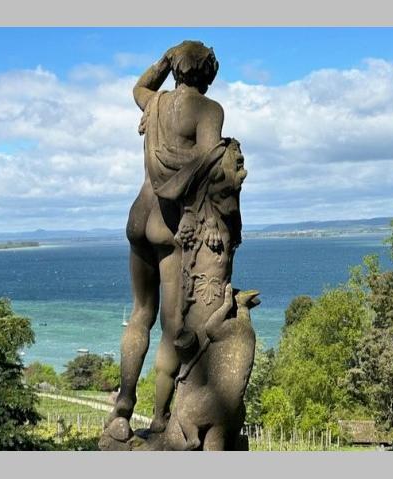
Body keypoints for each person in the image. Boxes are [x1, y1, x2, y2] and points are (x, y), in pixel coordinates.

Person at [108, 41, 225, 433]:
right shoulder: (209, 110)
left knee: (139, 312)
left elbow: (138, 87)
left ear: (176, 69)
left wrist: (163, 59)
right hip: (170, 225)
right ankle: (159, 419)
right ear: (209, 72)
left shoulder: (154, 103)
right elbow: (210, 166)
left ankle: (122, 409)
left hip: (138, 217)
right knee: (172, 328)